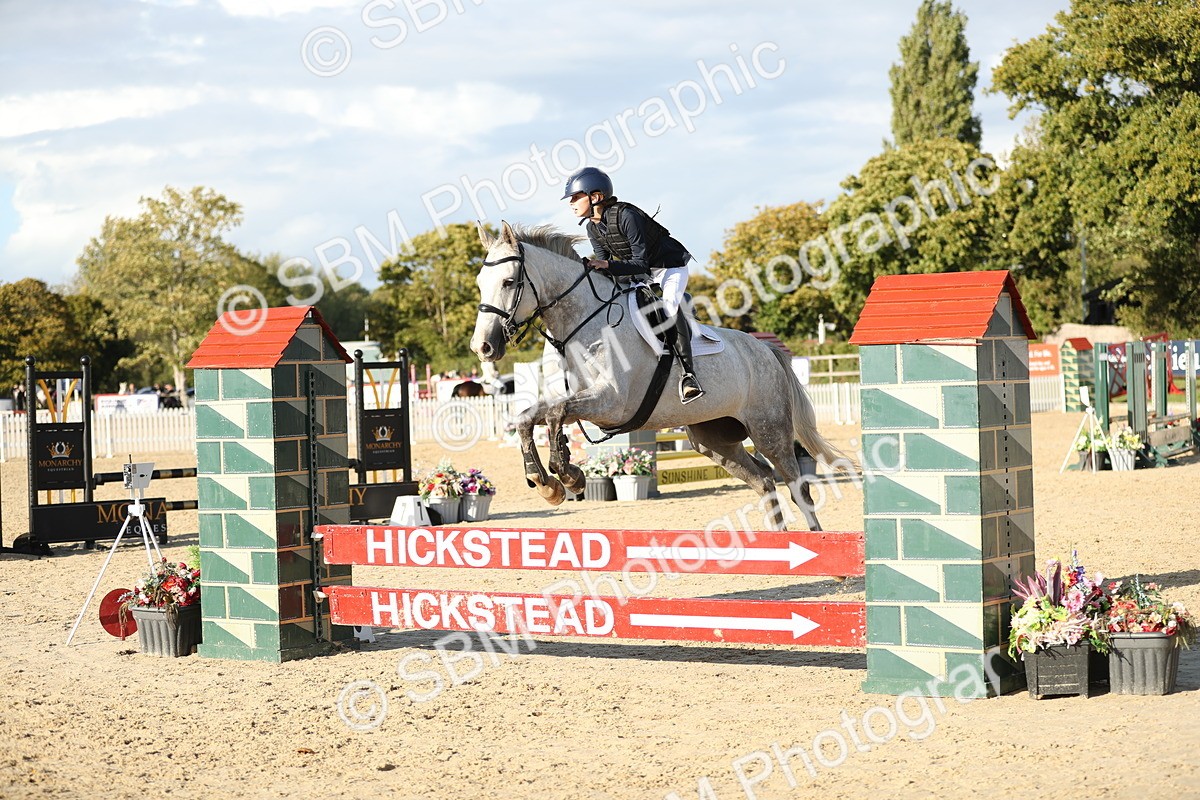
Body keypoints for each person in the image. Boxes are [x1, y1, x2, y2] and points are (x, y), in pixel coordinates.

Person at [562, 166, 705, 404]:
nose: (571, 203)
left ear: (596, 197)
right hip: (640, 273)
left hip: (668, 268)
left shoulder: (627, 216)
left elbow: (639, 263)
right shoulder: (592, 227)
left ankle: (689, 375)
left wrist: (606, 265)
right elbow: (607, 264)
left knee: (669, 309)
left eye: (576, 197)